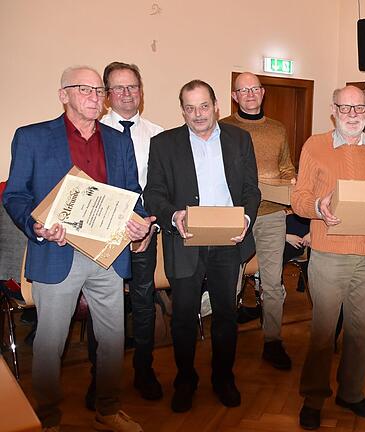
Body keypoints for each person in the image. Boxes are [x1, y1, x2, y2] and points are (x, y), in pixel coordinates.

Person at [3, 65, 151, 432]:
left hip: (107, 255)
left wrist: (140, 220)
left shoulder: (118, 140)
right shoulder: (32, 137)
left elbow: (133, 194)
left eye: (99, 90)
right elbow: (15, 194)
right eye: (84, 89)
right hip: (56, 253)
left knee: (113, 340)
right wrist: (35, 226)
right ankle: (48, 418)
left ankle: (108, 408)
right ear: (63, 95)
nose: (95, 97)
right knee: (51, 343)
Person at [143, 79, 259, 413]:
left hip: (228, 241)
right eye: (190, 108)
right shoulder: (164, 144)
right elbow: (154, 193)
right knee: (182, 318)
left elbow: (251, 189)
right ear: (182, 110)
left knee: (226, 315)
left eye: (204, 106)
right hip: (186, 240)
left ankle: (224, 378)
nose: (198, 114)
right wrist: (173, 216)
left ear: (216, 105)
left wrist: (246, 220)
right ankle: (185, 379)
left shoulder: (239, 139)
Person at [292, 86, 365, 430]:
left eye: (359, 108)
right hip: (329, 251)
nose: (353, 114)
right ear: (333, 110)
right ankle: (314, 397)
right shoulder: (314, 145)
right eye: (345, 108)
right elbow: (300, 199)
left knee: (360, 331)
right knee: (323, 332)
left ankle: (350, 393)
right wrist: (319, 208)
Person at [220, 72, 296, 370]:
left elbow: (286, 167)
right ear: (235, 96)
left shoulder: (277, 129)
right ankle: (226, 339)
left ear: (263, 93)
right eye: (243, 90)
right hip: (234, 215)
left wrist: (291, 181)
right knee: (231, 281)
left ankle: (273, 341)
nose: (250, 94)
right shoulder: (223, 127)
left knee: (273, 282)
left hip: (271, 214)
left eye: (255, 89)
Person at [100, 61, 165, 401]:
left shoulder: (159, 134)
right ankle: (102, 379)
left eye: (133, 87)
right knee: (105, 305)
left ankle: (144, 369)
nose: (127, 94)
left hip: (145, 233)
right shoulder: (94, 134)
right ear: (107, 95)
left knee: (143, 300)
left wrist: (148, 227)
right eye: (119, 88)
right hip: (107, 234)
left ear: (141, 91)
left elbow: (161, 187)